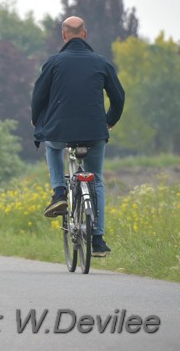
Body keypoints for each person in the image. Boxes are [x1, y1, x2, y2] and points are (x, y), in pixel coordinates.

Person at [31, 16, 125, 257]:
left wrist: (37, 121)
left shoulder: (53, 63)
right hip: (94, 132)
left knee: (52, 147)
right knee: (96, 180)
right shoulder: (101, 63)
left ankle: (59, 192)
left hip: (60, 131)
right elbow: (119, 98)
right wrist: (108, 122)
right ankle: (98, 240)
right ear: (85, 34)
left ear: (64, 35)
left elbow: (38, 97)